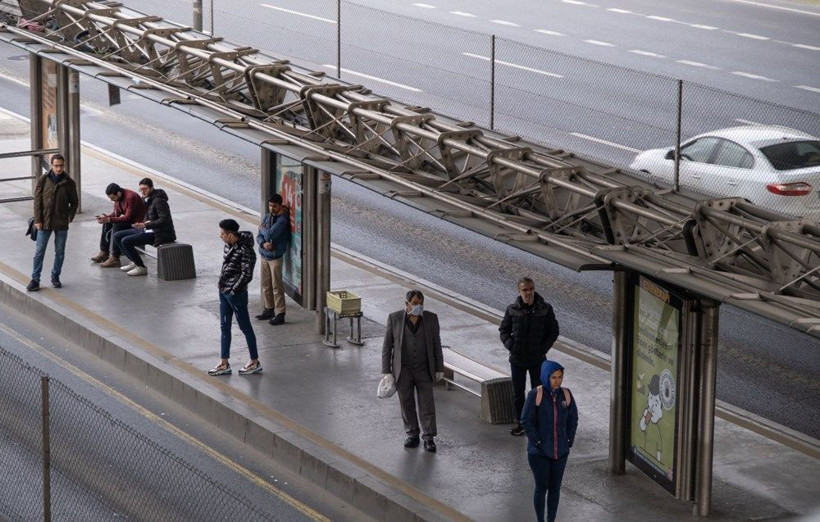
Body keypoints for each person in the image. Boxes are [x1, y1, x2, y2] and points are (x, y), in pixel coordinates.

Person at [381, 290, 444, 452]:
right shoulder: (394, 319)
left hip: (424, 369)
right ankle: (412, 434)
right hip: (403, 370)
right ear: (407, 304)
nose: (419, 306)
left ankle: (429, 437)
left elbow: (437, 344)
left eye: (421, 303)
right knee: (406, 403)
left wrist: (439, 368)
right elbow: (387, 347)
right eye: (415, 303)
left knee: (427, 404)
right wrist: (386, 371)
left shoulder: (431, 319)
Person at [499, 277, 559, 436]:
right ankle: (521, 422)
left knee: (538, 392)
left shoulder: (544, 309)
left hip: (537, 359)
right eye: (525, 289)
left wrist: (542, 349)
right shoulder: (512, 309)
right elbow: (504, 330)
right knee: (518, 393)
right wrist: (512, 346)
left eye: (531, 289)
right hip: (518, 359)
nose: (529, 292)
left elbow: (553, 331)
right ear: (519, 291)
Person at [521, 359, 578, 522]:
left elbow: (573, 419)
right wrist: (538, 442)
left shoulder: (566, 395)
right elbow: (526, 420)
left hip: (560, 452)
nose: (557, 381)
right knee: (542, 487)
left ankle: (551, 520)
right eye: (553, 377)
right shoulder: (535, 395)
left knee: (555, 488)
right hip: (539, 453)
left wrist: (568, 441)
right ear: (546, 377)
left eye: (560, 377)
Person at [208, 218, 262, 376]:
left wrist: (233, 290)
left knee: (245, 327)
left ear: (231, 235)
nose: (221, 236)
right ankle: (224, 363)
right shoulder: (228, 245)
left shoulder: (246, 251)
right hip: (224, 291)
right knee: (224, 327)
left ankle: (255, 361)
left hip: (235, 294)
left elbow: (247, 274)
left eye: (223, 233)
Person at [27, 154, 79, 291]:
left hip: (61, 223)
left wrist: (70, 216)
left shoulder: (69, 183)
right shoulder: (43, 180)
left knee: (60, 252)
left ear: (64, 165)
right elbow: (37, 201)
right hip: (44, 222)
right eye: (56, 166)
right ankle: (35, 279)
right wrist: (38, 219)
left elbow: (74, 202)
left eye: (61, 165)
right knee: (39, 252)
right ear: (51, 165)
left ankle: (55, 276)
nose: (59, 168)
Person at [112, 178, 176, 277]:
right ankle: (134, 261)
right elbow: (148, 216)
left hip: (160, 234)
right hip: (148, 229)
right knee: (117, 236)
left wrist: (146, 225)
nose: (143, 191)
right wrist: (141, 224)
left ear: (152, 188)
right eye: (141, 189)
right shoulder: (147, 199)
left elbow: (164, 220)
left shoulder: (159, 201)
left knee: (126, 241)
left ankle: (141, 267)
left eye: (145, 189)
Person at [91, 182, 146, 268]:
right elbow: (117, 213)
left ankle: (115, 258)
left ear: (118, 193)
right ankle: (104, 251)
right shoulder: (119, 198)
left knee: (117, 225)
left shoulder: (131, 197)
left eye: (113, 198)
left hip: (137, 224)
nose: (112, 200)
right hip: (130, 221)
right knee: (107, 223)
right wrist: (105, 217)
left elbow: (127, 218)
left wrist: (109, 219)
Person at [254, 194, 290, 325]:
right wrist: (263, 244)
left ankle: (280, 313)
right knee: (265, 284)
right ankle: (269, 309)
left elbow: (270, 233)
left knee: (276, 286)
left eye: (274, 206)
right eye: (270, 205)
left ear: (280, 206)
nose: (271, 208)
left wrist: (262, 228)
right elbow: (259, 237)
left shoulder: (282, 220)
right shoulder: (267, 217)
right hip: (264, 255)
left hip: (275, 257)